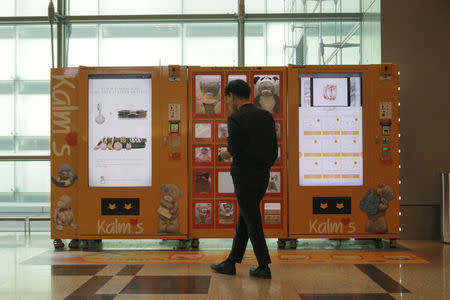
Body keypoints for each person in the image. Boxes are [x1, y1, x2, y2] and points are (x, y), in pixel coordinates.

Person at [210, 79, 278, 279]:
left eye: (227, 98)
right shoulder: (266, 116)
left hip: (244, 175)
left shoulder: (236, 117)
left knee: (252, 219)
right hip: (263, 175)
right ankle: (231, 262)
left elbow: (233, 149)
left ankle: (264, 265)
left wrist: (222, 153)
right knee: (246, 217)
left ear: (232, 96)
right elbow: (274, 149)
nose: (227, 102)